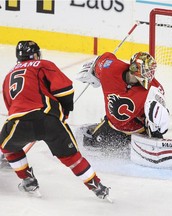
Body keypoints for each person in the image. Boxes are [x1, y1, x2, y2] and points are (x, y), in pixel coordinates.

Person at [76, 51, 172, 172]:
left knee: (152, 131)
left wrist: (156, 136)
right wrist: (92, 72)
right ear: (133, 69)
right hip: (112, 126)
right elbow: (103, 58)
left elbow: (160, 119)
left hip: (137, 131)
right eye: (144, 74)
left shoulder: (153, 89)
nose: (147, 78)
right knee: (90, 144)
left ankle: (171, 152)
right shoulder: (109, 69)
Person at [0, 40, 110, 199]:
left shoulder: (8, 76)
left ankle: (28, 180)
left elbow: (12, 108)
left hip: (19, 121)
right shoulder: (42, 64)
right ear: (36, 54)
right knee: (72, 157)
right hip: (48, 119)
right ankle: (97, 186)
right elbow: (65, 89)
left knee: (7, 147)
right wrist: (64, 112)